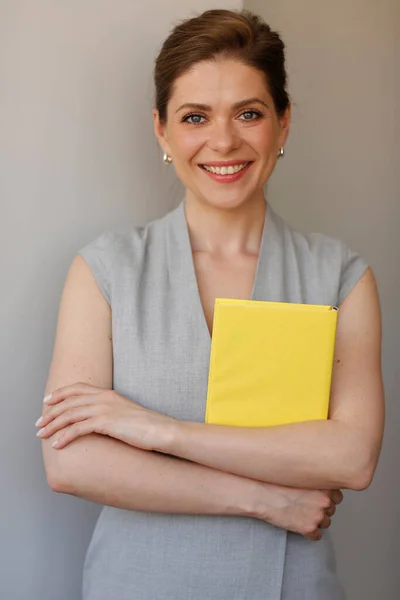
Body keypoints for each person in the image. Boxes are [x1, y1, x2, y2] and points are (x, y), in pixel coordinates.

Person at [37, 8, 384, 600]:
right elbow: (71, 464)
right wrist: (265, 498)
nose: (223, 141)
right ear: (161, 131)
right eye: (195, 117)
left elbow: (350, 457)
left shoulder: (340, 275)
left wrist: (158, 432)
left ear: (284, 124)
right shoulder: (106, 269)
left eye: (249, 113)